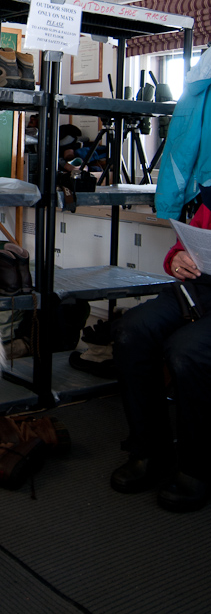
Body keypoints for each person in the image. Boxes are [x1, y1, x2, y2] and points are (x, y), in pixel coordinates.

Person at [110, 189, 211, 511]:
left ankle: (197, 467)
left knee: (187, 350)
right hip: (201, 287)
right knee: (132, 329)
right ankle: (150, 450)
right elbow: (184, 249)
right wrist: (177, 259)